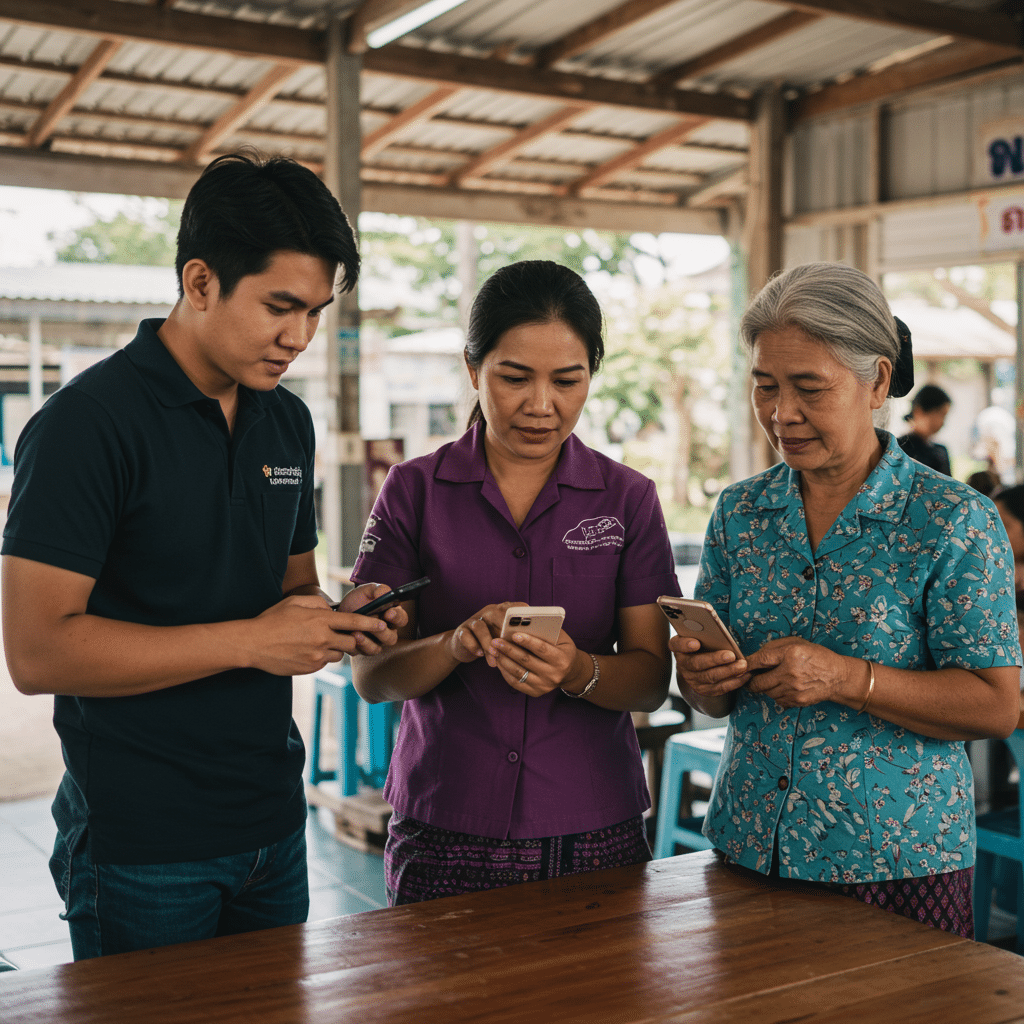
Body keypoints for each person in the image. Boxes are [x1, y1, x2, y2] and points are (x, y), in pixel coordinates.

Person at [1, 152, 406, 960]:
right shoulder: (86, 426)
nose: (299, 337)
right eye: (280, 306)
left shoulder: (286, 423)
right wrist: (254, 641)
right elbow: (37, 651)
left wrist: (340, 620)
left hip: (269, 819)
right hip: (141, 836)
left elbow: (292, 595)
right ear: (199, 281)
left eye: (316, 311)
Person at [672, 261, 1020, 938]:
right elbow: (712, 698)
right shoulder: (741, 513)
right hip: (750, 847)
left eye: (809, 388)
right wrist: (702, 679)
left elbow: (996, 704)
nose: (781, 413)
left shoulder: (951, 520)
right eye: (764, 386)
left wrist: (843, 677)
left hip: (896, 866)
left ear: (878, 382)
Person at [349, 260, 679, 906]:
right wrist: (454, 645)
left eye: (567, 380)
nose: (541, 405)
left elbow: (651, 679)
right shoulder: (414, 490)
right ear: (473, 370)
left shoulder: (628, 499)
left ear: (592, 376)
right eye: (514, 377)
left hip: (594, 828)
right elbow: (371, 676)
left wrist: (578, 669)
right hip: (446, 822)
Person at [897, 383, 952, 475]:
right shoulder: (899, 447)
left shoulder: (941, 451)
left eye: (944, 416)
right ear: (919, 411)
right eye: (940, 414)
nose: (942, 422)